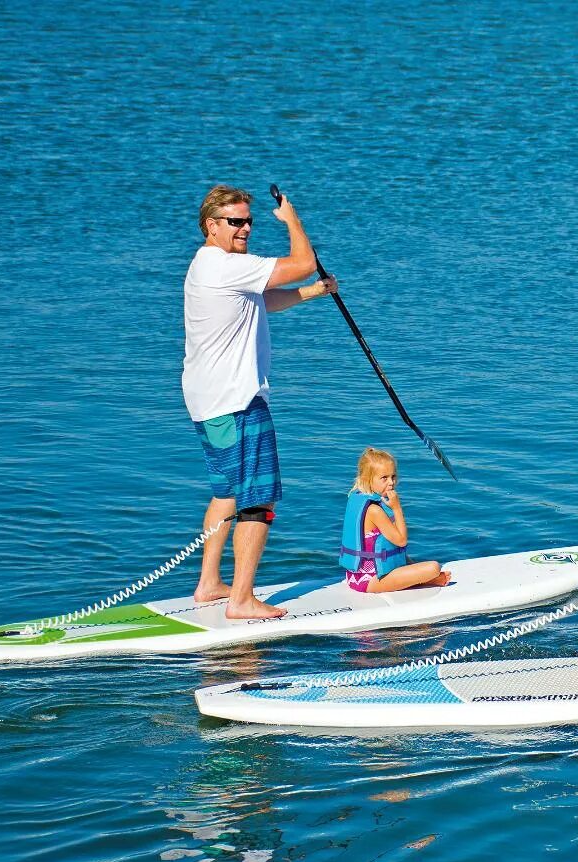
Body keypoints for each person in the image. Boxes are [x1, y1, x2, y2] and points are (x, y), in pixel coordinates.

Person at [183, 184, 336, 619]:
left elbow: (264, 301)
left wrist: (316, 292)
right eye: (236, 222)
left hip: (208, 399)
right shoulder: (223, 265)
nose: (246, 228)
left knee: (228, 492)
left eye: (248, 221)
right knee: (258, 498)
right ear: (212, 226)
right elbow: (302, 263)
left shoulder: (211, 265)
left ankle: (210, 583)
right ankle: (242, 600)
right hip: (237, 397)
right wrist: (293, 220)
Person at [339, 447, 452, 593]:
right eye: (384, 478)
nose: (391, 482)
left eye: (393, 476)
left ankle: (423, 578)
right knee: (434, 568)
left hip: (357, 575)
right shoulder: (374, 510)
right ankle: (427, 579)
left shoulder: (361, 499)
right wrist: (397, 508)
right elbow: (401, 540)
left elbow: (394, 545)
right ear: (368, 479)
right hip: (370, 580)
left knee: (401, 555)